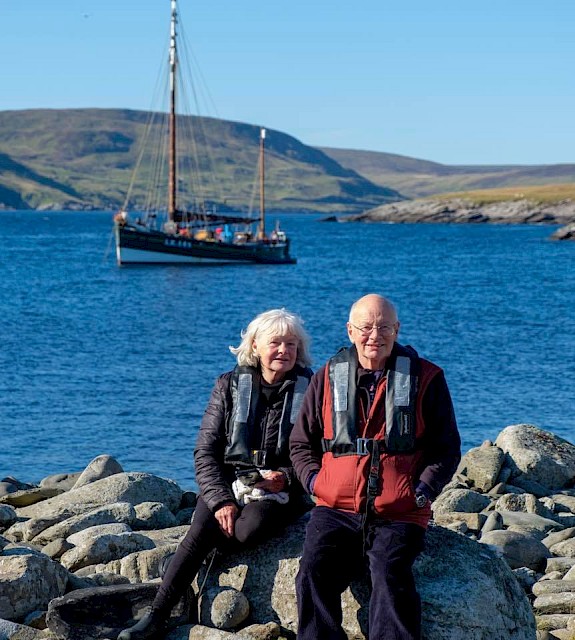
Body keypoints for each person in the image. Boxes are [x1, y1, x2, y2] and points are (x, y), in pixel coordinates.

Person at [118, 308, 313, 640]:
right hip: (231, 480)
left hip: (282, 489)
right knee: (204, 524)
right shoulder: (229, 385)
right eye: (276, 342)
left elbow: (316, 452)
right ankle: (156, 616)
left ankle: (187, 561)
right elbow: (205, 452)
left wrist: (286, 477)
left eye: (292, 344)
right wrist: (222, 499)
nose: (284, 351)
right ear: (255, 345)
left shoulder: (312, 389)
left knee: (248, 531)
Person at [289, 293, 461, 640]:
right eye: (366, 327)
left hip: (399, 511)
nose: (374, 335)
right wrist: (314, 483)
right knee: (312, 571)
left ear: (396, 329)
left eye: (384, 327)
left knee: (388, 572)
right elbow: (299, 443)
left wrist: (423, 492)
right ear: (350, 331)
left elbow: (447, 448)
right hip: (335, 507)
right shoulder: (326, 376)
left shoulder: (426, 377)